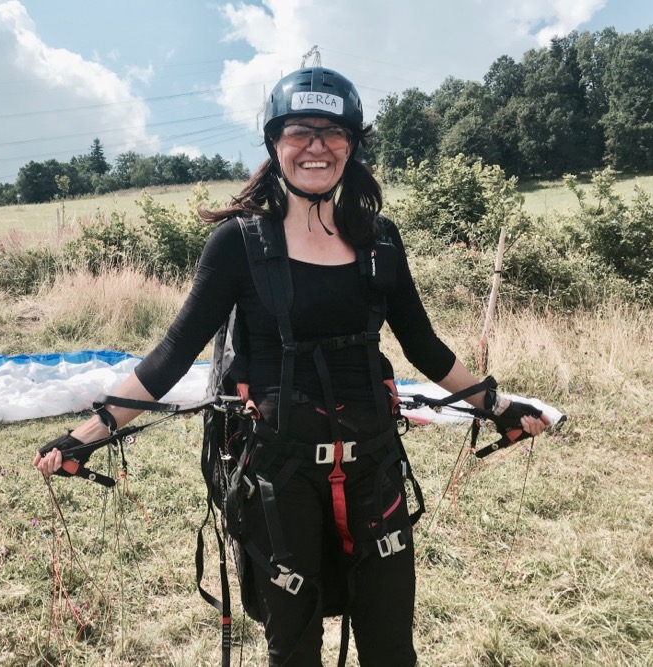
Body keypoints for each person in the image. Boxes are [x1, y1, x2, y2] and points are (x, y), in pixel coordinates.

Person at [34, 66, 550, 667]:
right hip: (279, 478)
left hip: (375, 467)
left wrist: (498, 406)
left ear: (351, 146)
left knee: (391, 648)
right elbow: (173, 353)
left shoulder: (381, 241)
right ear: (275, 144)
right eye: (299, 132)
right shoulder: (239, 244)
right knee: (294, 651)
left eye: (333, 133)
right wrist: (89, 433)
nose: (316, 147)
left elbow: (424, 347)